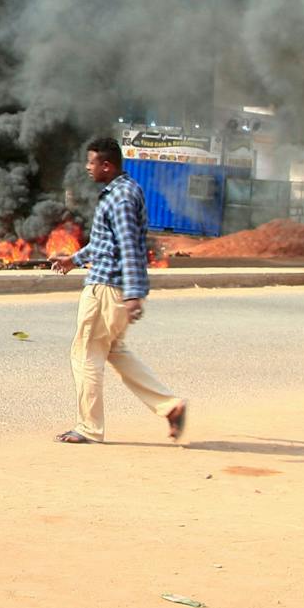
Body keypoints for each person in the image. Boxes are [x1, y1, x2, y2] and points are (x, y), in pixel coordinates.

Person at [49, 137, 187, 444]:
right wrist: (73, 260)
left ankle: (88, 428)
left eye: (92, 162)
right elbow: (105, 243)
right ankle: (170, 406)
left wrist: (134, 293)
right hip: (111, 287)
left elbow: (128, 245)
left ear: (107, 165)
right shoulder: (123, 191)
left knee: (85, 353)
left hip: (106, 288)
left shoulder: (120, 198)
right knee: (113, 350)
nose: (88, 167)